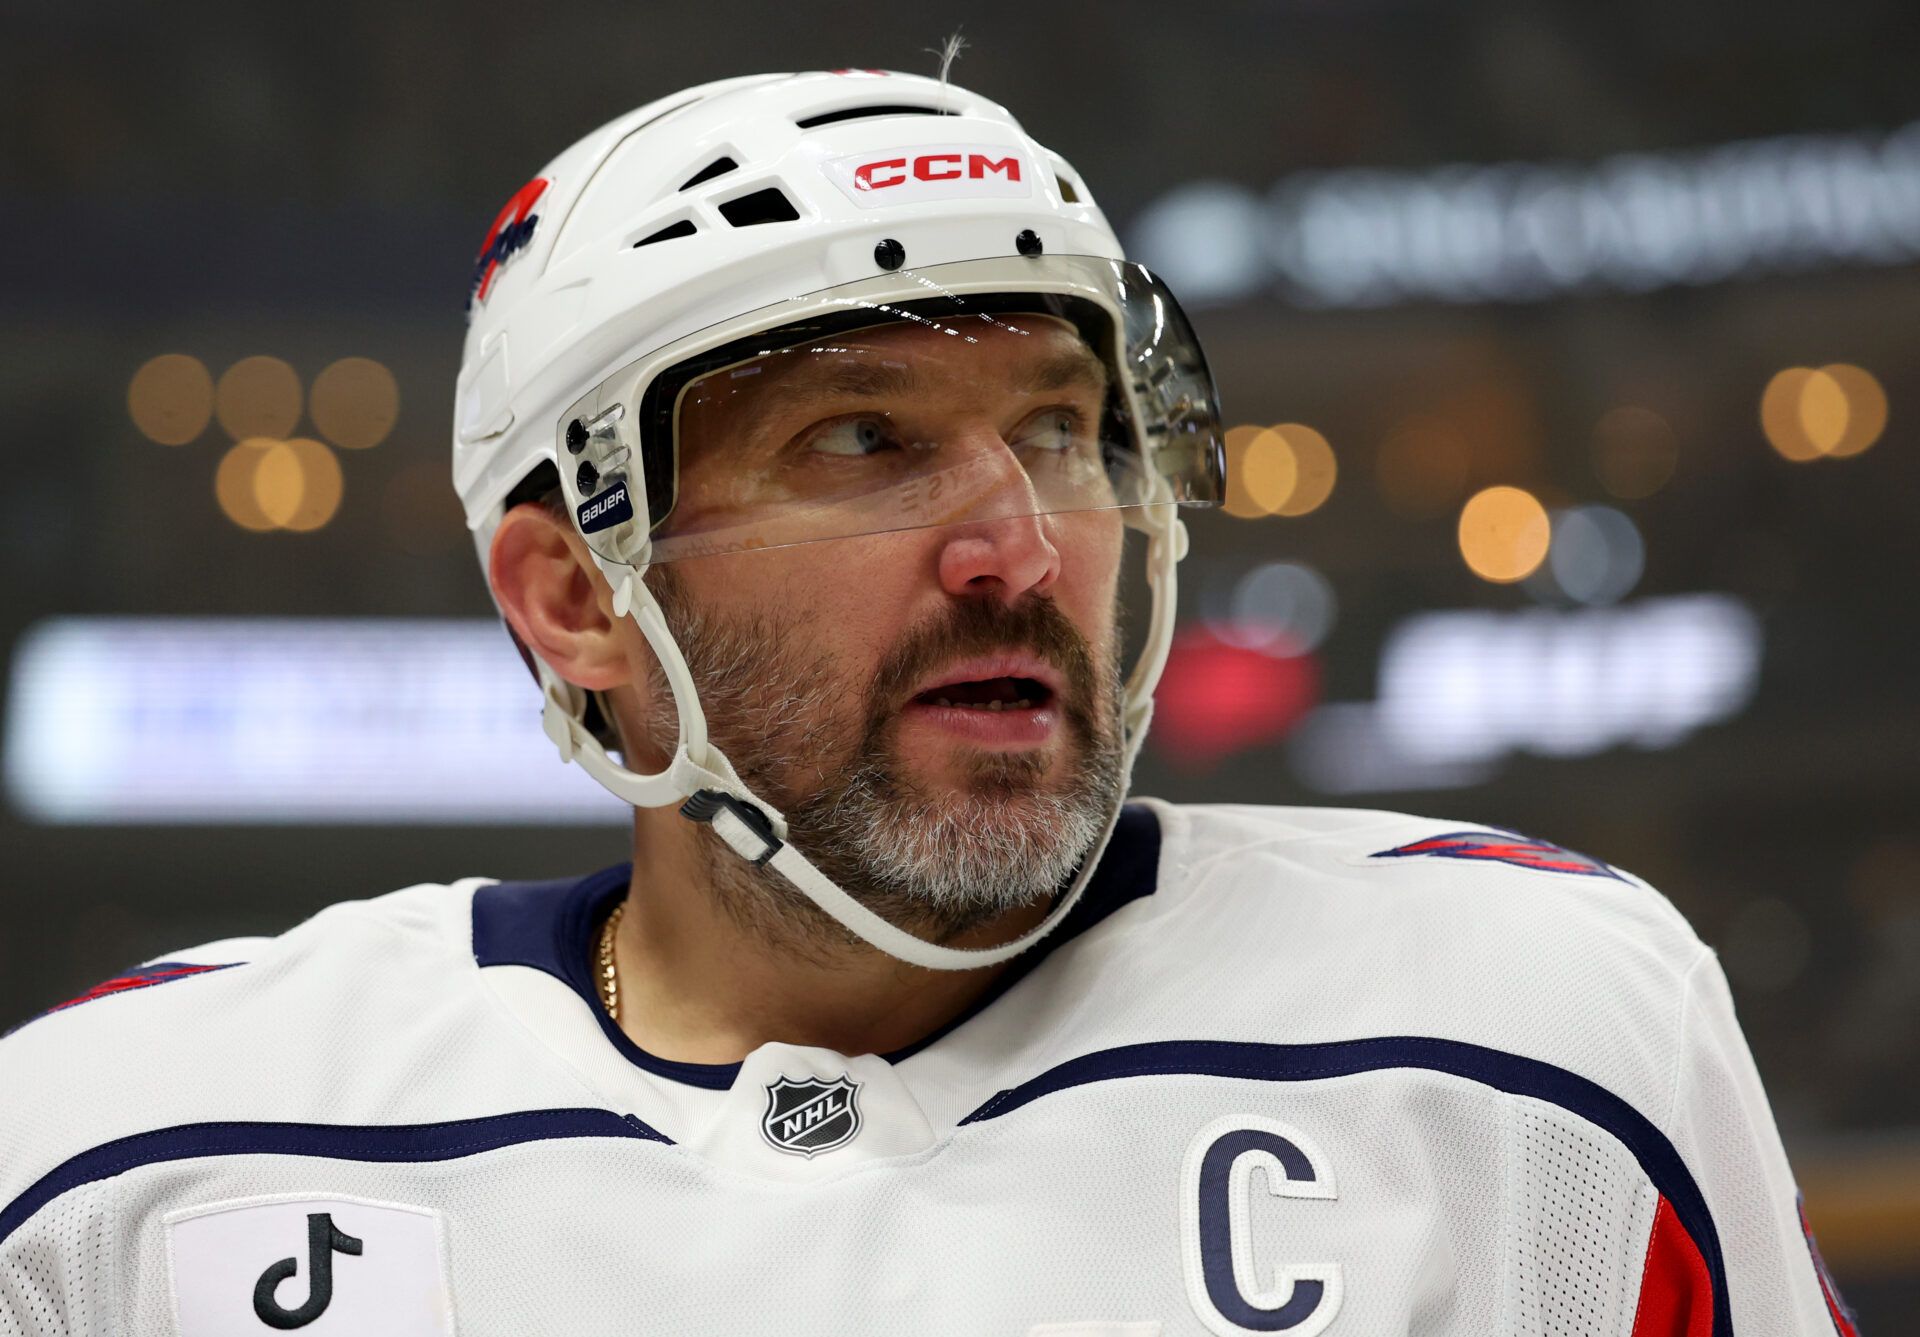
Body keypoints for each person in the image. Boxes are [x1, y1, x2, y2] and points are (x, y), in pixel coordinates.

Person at [0, 70, 1858, 1337]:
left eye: (1059, 429)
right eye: (861, 441)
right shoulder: (116, 1164)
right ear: (575, 597)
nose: (1018, 547)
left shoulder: (1534, 1043)